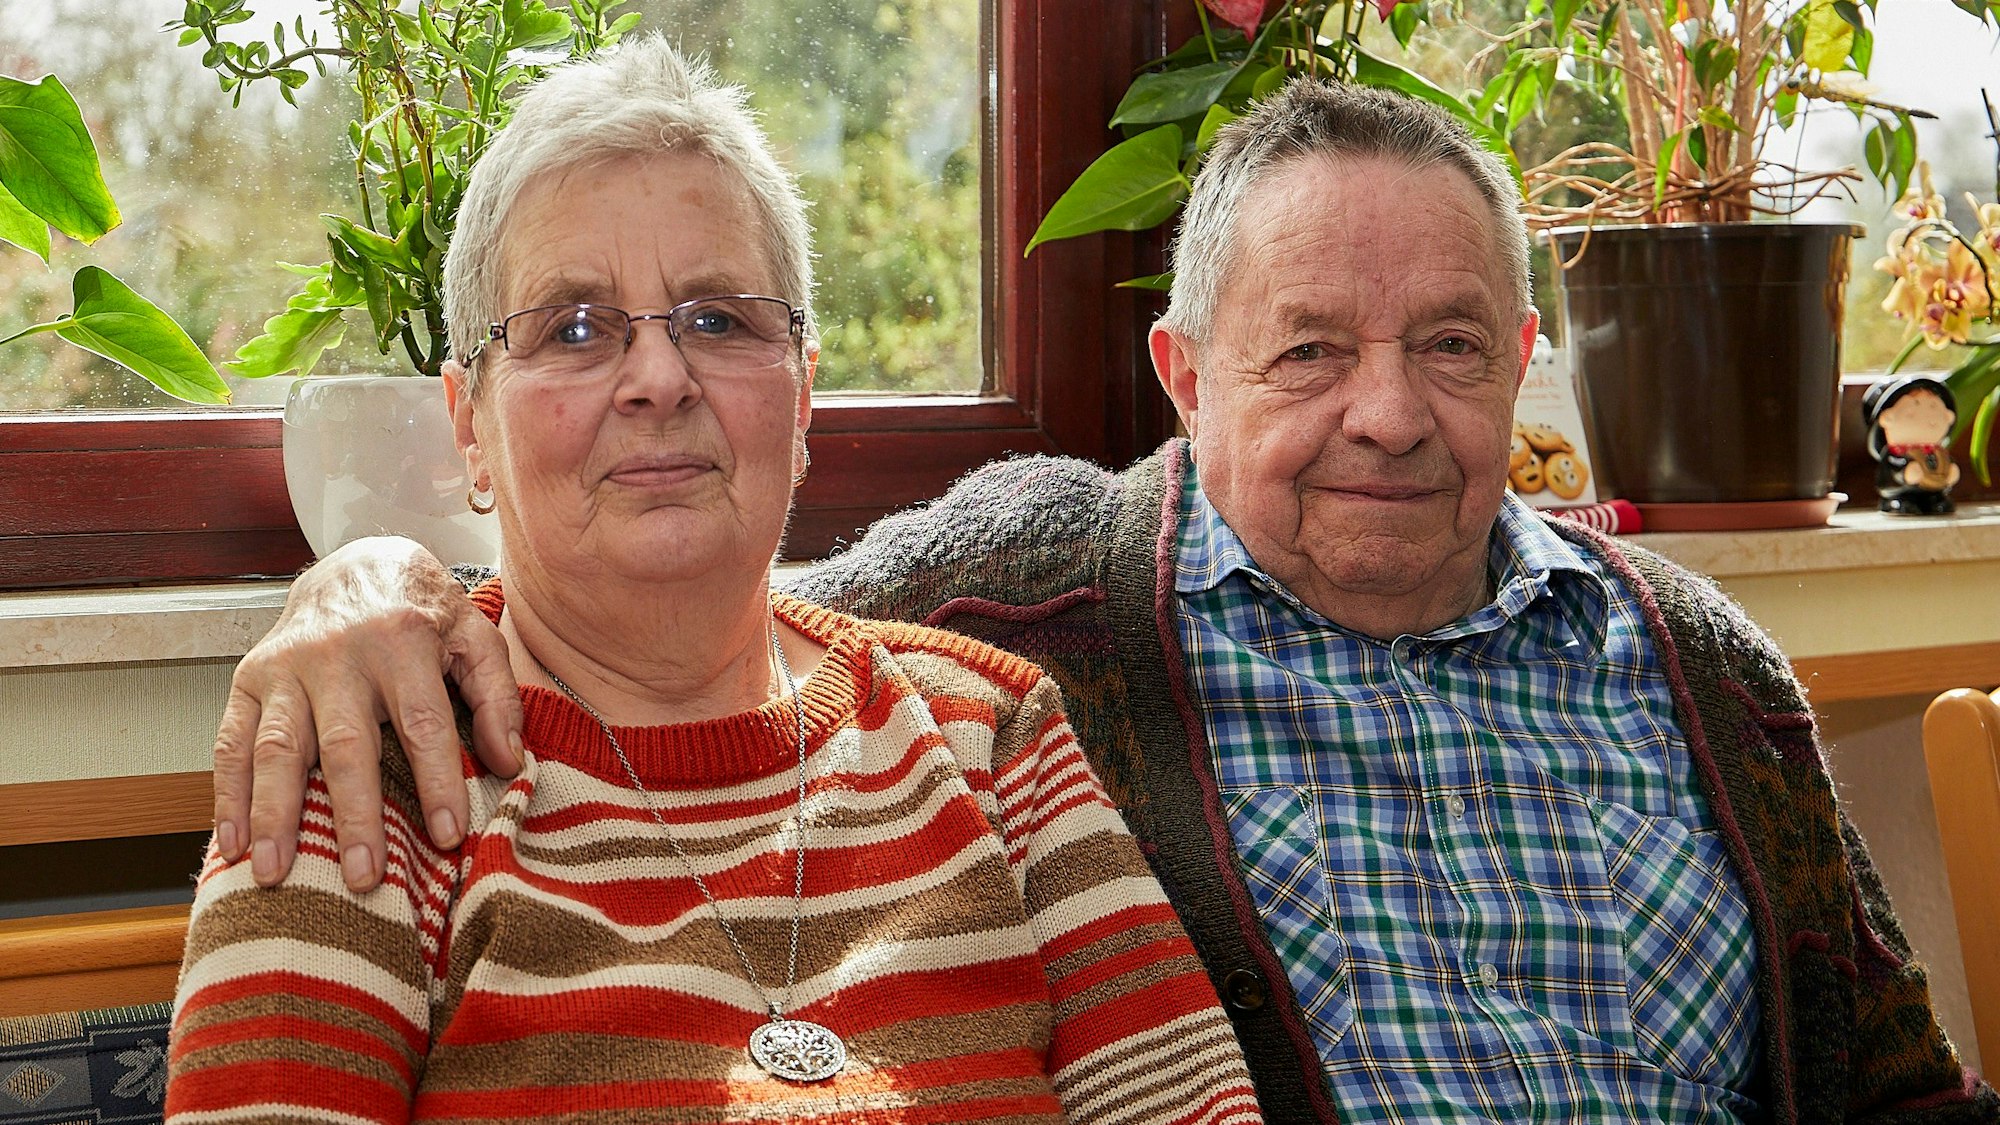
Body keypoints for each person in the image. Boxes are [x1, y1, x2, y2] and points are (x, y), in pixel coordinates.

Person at [208, 78, 1998, 1124]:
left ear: (1528, 366)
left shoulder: (1701, 668)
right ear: (1181, 372)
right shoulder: (1027, 612)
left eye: (1451, 346)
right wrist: (372, 587)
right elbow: (664, 594)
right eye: (1308, 350)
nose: (1387, 409)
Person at [164, 37, 1265, 1125]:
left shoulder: (995, 737)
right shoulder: (365, 757)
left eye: (717, 320)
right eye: (575, 328)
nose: (656, 378)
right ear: (469, 427)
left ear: (802, 399)